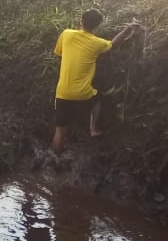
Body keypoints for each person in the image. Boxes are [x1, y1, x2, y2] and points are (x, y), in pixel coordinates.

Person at [51, 9, 140, 154]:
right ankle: (93, 128)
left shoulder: (66, 34)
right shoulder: (97, 43)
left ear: (81, 20)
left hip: (63, 92)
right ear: (97, 27)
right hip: (83, 93)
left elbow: (59, 55)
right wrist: (129, 28)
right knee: (98, 102)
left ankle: (54, 158)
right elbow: (113, 44)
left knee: (60, 131)